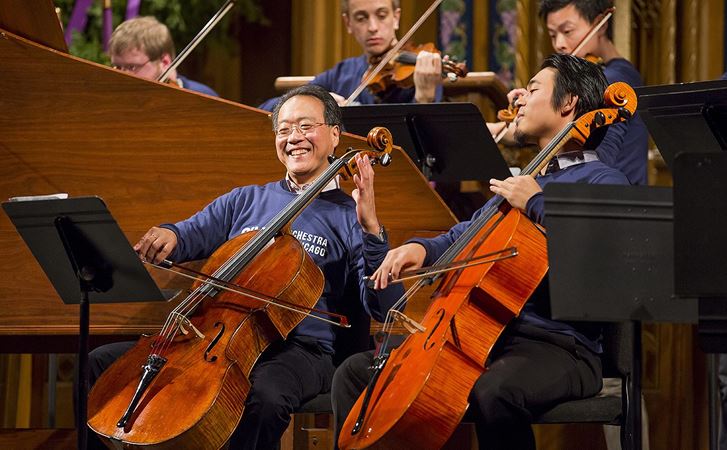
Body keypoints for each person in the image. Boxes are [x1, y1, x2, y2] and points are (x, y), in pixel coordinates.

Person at [331, 54, 630, 450]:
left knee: (496, 392)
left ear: (568, 104)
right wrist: (421, 249)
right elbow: (466, 233)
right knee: (355, 373)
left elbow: (600, 259)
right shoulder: (527, 180)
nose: (518, 97)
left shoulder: (602, 180)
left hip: (561, 347)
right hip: (487, 339)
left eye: (534, 88)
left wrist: (539, 204)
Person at [84, 84, 403, 450]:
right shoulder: (245, 200)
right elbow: (192, 232)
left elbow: (385, 306)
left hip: (299, 350)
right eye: (283, 130)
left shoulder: (350, 217)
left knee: (264, 399)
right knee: (98, 366)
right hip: (212, 339)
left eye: (305, 126)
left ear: (334, 135)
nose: (293, 138)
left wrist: (371, 230)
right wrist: (170, 235)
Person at [488, 0, 648, 186]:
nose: (559, 44)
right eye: (553, 35)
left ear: (600, 24)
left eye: (567, 31)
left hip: (607, 198)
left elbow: (602, 151)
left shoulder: (615, 80)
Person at [259, 0, 443, 111]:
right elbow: (268, 108)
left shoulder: (422, 70)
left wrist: (424, 98)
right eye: (361, 18)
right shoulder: (341, 74)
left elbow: (433, 145)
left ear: (395, 17)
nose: (372, 27)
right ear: (348, 23)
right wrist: (317, 101)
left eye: (381, 15)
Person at [108, 16, 219, 96]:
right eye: (117, 67)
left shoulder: (203, 97)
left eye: (132, 67)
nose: (122, 75)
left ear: (165, 62)